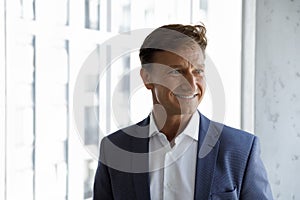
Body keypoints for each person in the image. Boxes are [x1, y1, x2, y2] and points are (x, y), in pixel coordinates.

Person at [93, 23, 273, 200]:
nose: (192, 85)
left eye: (198, 71)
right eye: (176, 72)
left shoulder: (240, 150)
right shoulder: (114, 150)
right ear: (147, 77)